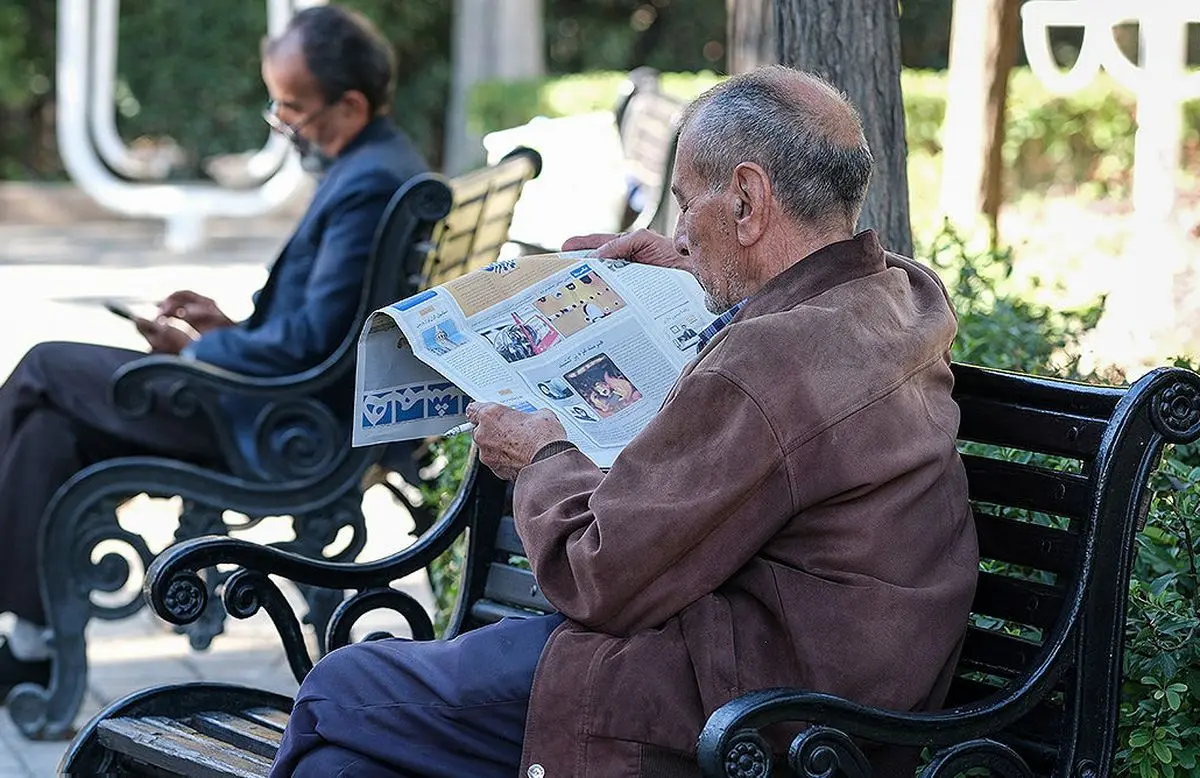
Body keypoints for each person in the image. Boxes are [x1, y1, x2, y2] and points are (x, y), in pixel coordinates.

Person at [269, 65, 979, 778]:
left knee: (339, 691)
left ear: (746, 200)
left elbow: (597, 574)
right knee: (340, 770)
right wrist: (688, 267)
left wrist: (541, 454)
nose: (676, 231)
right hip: (819, 685)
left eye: (684, 205)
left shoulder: (769, 362)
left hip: (742, 710)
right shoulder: (899, 293)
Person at [0, 4, 427, 694]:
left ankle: (28, 641)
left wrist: (205, 353)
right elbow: (317, 331)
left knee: (45, 366)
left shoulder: (369, 181)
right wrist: (220, 329)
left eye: (292, 109)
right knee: (49, 427)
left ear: (349, 105)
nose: (283, 124)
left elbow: (312, 344)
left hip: (277, 426)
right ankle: (29, 643)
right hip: (285, 408)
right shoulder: (378, 163)